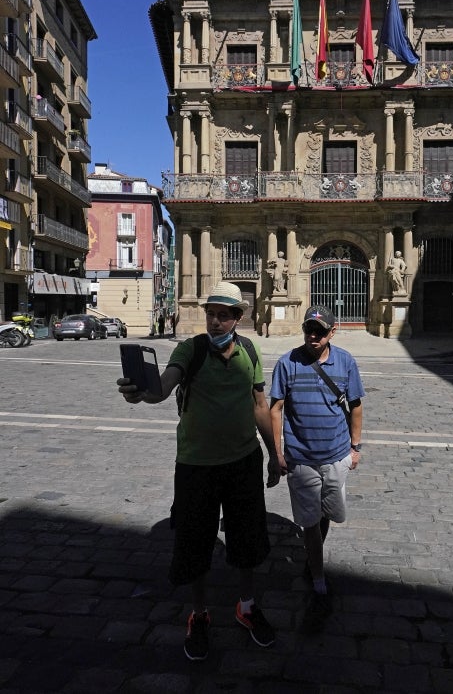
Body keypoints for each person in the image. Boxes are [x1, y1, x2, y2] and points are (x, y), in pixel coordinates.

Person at [118, 282, 281, 661]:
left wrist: (274, 453)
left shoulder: (249, 351)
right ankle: (200, 613)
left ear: (238, 318)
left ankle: (247, 606)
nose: (216, 320)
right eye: (211, 313)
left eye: (224, 314)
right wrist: (139, 392)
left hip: (243, 462)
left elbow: (260, 405)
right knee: (194, 542)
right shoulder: (189, 349)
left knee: (246, 539)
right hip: (196, 465)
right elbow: (162, 388)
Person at [270, 305, 365, 632]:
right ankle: (318, 574)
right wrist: (277, 452)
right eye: (309, 329)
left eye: (320, 331)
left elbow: (356, 406)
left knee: (328, 513)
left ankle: (314, 558)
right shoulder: (287, 363)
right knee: (310, 521)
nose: (314, 336)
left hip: (337, 454)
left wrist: (355, 447)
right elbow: (276, 408)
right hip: (301, 457)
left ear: (332, 332)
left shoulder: (346, 362)